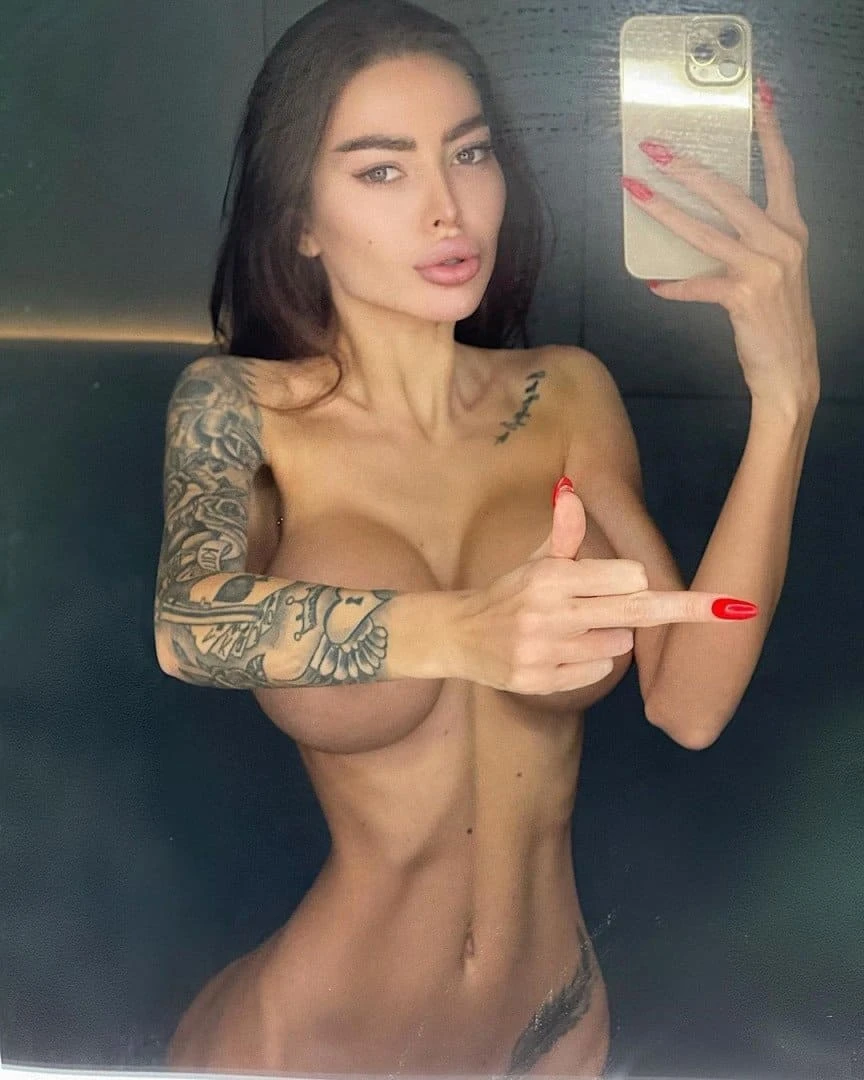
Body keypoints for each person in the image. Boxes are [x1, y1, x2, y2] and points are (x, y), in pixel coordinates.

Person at [153, 0, 820, 1074]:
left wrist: (785, 402)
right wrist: (463, 631)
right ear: (301, 221)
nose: (447, 208)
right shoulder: (239, 409)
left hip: (552, 1027)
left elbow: (689, 705)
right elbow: (189, 624)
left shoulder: (567, 395)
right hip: (321, 1042)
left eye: (469, 154)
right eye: (382, 170)